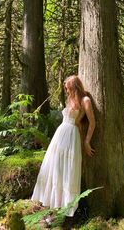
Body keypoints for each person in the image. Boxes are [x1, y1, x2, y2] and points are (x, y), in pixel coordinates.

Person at [31, 75, 96, 217]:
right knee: (56, 167)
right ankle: (51, 207)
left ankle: (63, 209)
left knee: (68, 168)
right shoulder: (70, 99)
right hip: (60, 135)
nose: (67, 91)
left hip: (72, 136)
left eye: (68, 88)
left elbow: (92, 122)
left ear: (75, 87)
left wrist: (86, 141)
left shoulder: (85, 100)